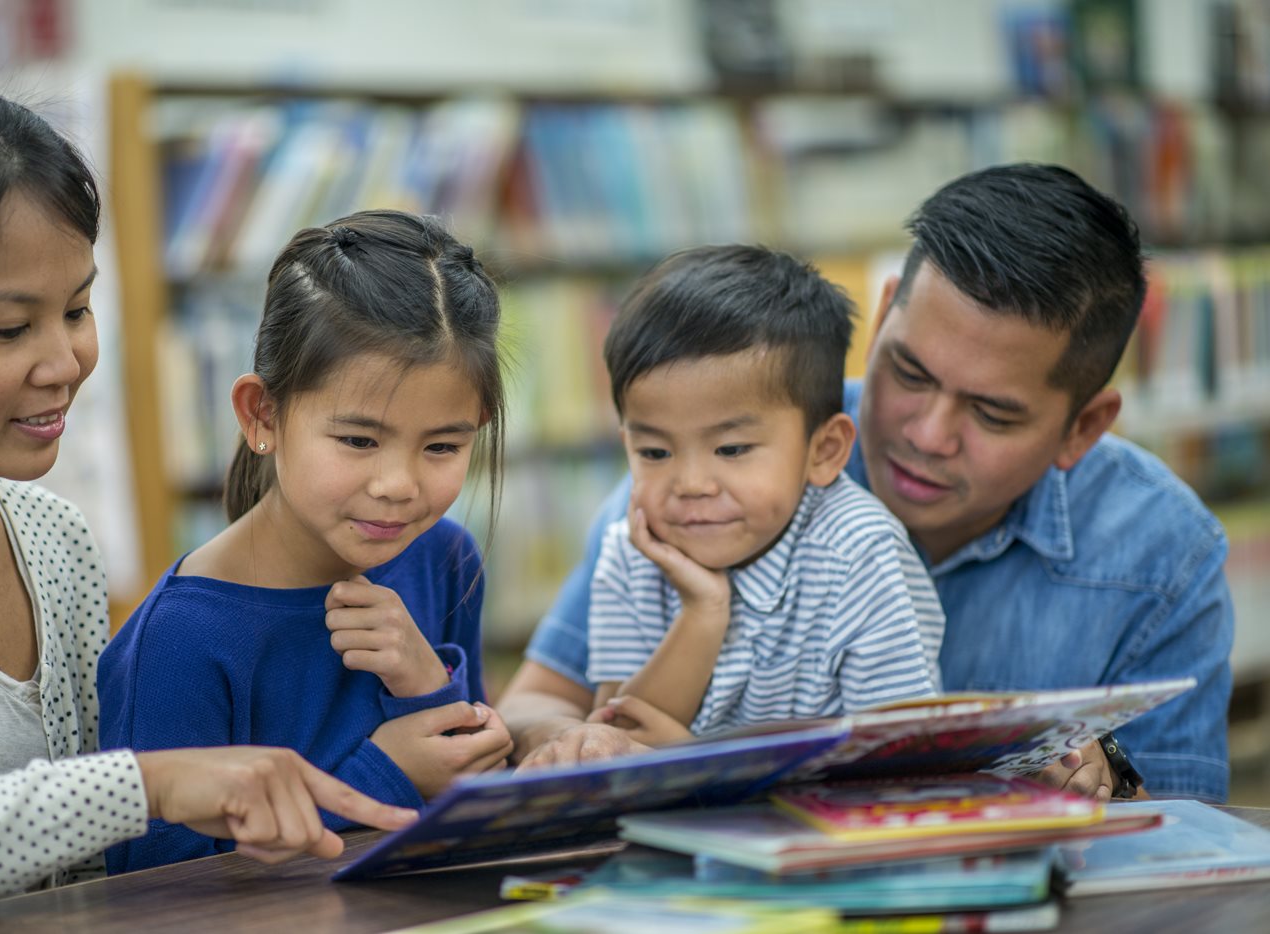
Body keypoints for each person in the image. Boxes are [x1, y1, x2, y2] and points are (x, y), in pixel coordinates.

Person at [501, 164, 1233, 804]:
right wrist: (586, 746)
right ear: (882, 316)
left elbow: (1185, 818)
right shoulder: (718, 462)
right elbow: (535, 701)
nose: (926, 433)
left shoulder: (1162, 549)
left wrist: (1102, 774)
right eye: (908, 373)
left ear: (1083, 427)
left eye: (992, 413)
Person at [0, 79, 416, 930]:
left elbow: (106, 874)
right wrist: (149, 784)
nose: (65, 361)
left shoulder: (54, 541)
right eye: (10, 329)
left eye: (79, 309)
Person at [99, 210, 515, 873]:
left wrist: (427, 681)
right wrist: (381, 776)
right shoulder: (179, 642)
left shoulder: (446, 557)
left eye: (442, 444)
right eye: (358, 440)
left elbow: (465, 794)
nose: (398, 484)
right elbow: (154, 890)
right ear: (263, 415)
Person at [583, 245, 942, 745]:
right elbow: (614, 739)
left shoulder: (859, 552)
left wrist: (702, 770)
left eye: (730, 449)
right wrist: (702, 613)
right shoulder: (631, 549)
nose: (691, 485)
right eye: (655, 453)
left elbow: (901, 759)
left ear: (824, 450)